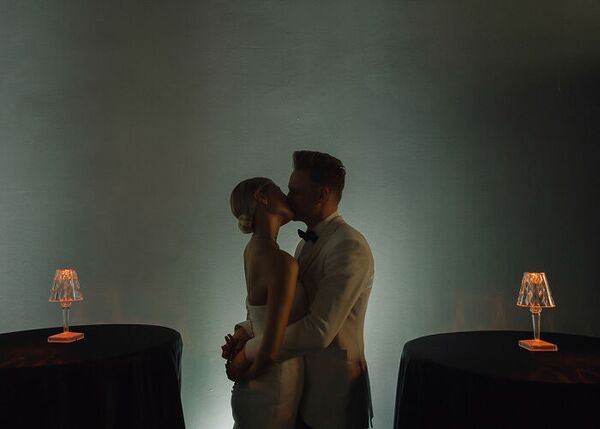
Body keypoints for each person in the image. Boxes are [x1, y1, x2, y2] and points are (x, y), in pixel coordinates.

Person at [225, 151, 375, 429]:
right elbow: (291, 309)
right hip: (294, 392)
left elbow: (318, 330)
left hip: (332, 398)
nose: (288, 196)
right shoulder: (303, 244)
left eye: (295, 191)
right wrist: (246, 329)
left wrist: (250, 351)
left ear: (321, 195)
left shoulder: (349, 246)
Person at [226, 177, 307, 429]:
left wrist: (242, 337)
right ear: (262, 197)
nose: (287, 196)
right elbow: (272, 348)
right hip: (275, 383)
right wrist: (243, 373)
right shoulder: (281, 261)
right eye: (280, 190)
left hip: (257, 379)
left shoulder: (250, 250)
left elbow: (256, 313)